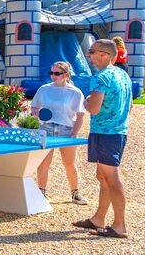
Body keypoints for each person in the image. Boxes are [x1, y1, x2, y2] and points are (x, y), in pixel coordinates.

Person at [73, 37, 133, 238]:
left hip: (104, 133)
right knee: (103, 177)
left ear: (104, 55)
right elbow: (131, 106)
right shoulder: (123, 75)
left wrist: (87, 101)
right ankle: (99, 218)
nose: (88, 55)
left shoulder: (101, 77)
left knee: (112, 178)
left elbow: (94, 109)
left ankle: (119, 226)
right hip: (118, 132)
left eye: (91, 51)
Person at [31, 60, 88, 204]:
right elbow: (34, 107)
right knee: (43, 164)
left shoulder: (75, 92)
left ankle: (75, 193)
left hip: (66, 130)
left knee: (69, 164)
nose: (53, 76)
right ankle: (41, 193)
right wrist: (36, 112)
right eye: (51, 72)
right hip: (45, 128)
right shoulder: (44, 89)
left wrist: (74, 133)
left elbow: (80, 115)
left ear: (66, 75)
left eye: (57, 73)